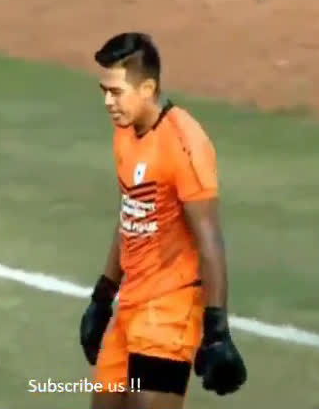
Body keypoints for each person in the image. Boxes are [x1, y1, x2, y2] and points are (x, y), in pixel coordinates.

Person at [79, 32, 247, 409]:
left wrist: (217, 329)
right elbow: (131, 211)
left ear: (148, 88)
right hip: (131, 305)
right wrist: (103, 295)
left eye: (116, 92)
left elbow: (210, 239)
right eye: (104, 91)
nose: (107, 102)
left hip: (171, 309)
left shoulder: (185, 144)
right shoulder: (125, 132)